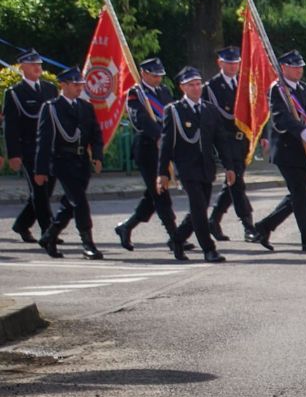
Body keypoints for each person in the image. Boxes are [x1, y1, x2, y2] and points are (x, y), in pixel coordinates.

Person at [252, 50, 306, 252]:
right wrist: (301, 131)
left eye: (300, 66)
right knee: (300, 194)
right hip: (286, 150)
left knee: (298, 195)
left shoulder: (305, 89)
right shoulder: (278, 90)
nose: (299, 70)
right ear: (283, 68)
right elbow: (280, 118)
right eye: (294, 67)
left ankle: (263, 226)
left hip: (305, 150)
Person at [115, 57, 186, 257]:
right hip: (147, 149)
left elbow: (172, 115)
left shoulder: (163, 92)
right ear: (144, 73)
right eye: (154, 75)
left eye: (160, 76)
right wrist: (158, 136)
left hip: (163, 149)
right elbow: (140, 119)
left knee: (152, 196)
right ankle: (175, 237)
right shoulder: (135, 93)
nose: (158, 79)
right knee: (160, 192)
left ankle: (126, 227)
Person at [156, 66, 228, 263]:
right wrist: (162, 172)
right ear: (182, 88)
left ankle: (177, 239)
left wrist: (229, 167)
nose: (196, 88)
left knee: (200, 208)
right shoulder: (174, 111)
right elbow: (167, 143)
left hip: (206, 167)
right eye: (191, 85)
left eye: (198, 84)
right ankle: (209, 249)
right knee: (198, 208)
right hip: (186, 168)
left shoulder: (209, 109)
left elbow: (220, 141)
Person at [33, 67, 104, 260]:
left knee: (70, 203)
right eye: (75, 84)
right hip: (62, 160)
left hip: (81, 161)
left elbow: (96, 134)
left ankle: (49, 236)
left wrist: (97, 155)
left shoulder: (85, 107)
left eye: (81, 84)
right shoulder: (52, 107)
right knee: (79, 202)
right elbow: (44, 139)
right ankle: (88, 243)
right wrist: (40, 170)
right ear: (63, 85)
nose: (79, 88)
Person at [205, 46, 262, 245]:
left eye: (236, 63)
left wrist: (258, 133)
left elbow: (253, 112)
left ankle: (213, 220)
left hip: (242, 140)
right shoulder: (211, 87)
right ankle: (248, 225)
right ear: (219, 63)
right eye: (228, 63)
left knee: (232, 182)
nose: (233, 66)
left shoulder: (244, 84)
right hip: (225, 140)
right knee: (237, 182)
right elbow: (216, 116)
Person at [3, 49, 57, 243]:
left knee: (46, 190)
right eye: (33, 64)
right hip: (28, 148)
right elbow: (11, 127)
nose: (38, 67)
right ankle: (48, 230)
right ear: (22, 67)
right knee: (39, 189)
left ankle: (22, 224)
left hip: (49, 148)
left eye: (39, 64)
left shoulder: (50, 89)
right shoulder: (14, 93)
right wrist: (14, 154)